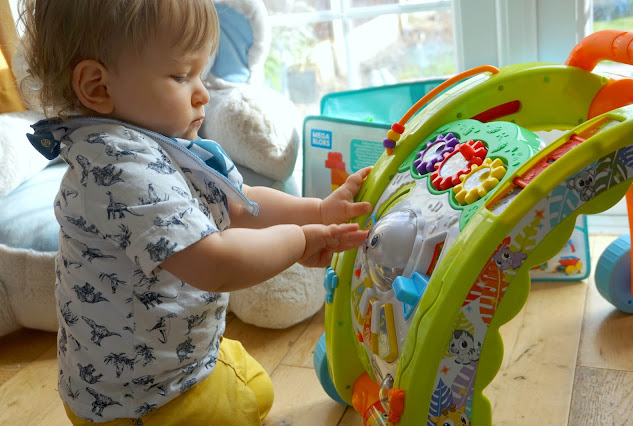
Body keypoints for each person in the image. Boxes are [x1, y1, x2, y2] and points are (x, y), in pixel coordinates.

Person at [18, 0, 373, 424]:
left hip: (158, 365)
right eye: (181, 76)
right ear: (98, 87)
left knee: (252, 384)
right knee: (250, 401)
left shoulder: (152, 142)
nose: (202, 92)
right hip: (144, 403)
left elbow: (238, 205)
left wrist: (318, 209)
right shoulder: (119, 166)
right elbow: (215, 263)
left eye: (201, 73)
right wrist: (303, 240)